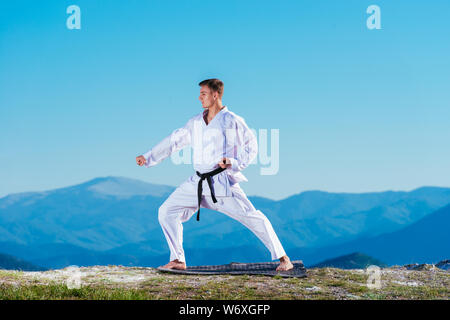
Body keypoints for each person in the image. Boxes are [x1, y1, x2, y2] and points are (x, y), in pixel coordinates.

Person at [136, 79, 293, 272]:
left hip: (221, 182)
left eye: (203, 93)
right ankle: (177, 259)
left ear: (215, 95)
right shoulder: (195, 122)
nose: (199, 97)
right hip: (198, 181)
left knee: (251, 216)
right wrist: (148, 156)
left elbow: (252, 147)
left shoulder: (232, 120)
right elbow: (174, 141)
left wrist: (233, 162)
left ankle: (284, 258)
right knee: (167, 211)